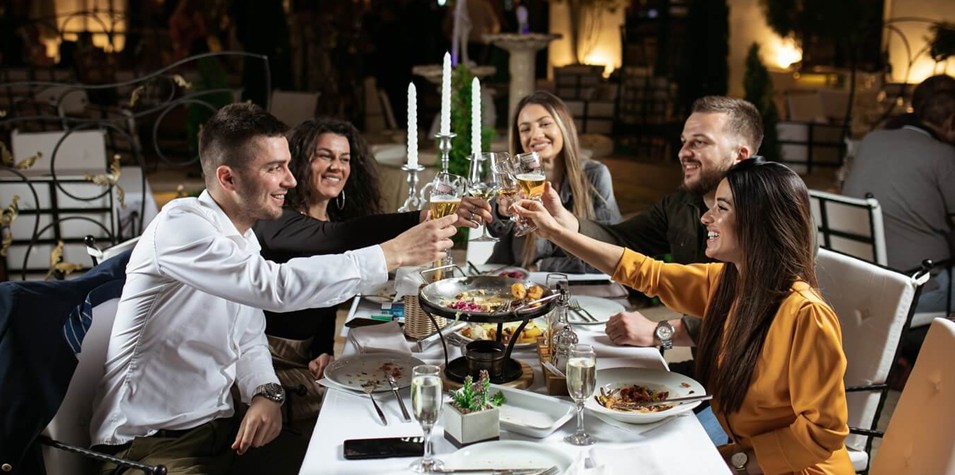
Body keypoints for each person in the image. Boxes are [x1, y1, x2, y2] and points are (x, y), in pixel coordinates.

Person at [88, 103, 458, 475]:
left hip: (222, 433)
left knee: (353, 460)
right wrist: (391, 254)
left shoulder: (244, 239)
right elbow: (275, 288)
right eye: (274, 168)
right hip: (147, 447)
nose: (291, 181)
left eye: (287, 165)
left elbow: (249, 337)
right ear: (228, 178)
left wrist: (266, 392)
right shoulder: (181, 225)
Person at [514, 159, 853, 474]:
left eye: (722, 208)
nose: (706, 218)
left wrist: (737, 462)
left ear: (758, 221)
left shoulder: (806, 315)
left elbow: (823, 434)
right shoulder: (729, 282)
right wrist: (557, 233)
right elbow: (644, 272)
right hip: (741, 453)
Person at [252, 118, 489, 438]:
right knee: (353, 416)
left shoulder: (333, 217)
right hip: (269, 360)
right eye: (324, 156)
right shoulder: (276, 218)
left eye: (344, 159)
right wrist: (421, 217)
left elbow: (327, 292)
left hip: (303, 355)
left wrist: (323, 348)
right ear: (299, 161)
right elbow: (333, 238)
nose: (336, 167)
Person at [540, 96, 762, 361]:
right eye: (684, 142)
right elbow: (623, 243)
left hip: (750, 379)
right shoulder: (680, 203)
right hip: (705, 368)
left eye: (699, 142)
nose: (682, 153)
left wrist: (661, 332)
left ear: (740, 155)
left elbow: (757, 315)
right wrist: (564, 221)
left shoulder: (772, 213)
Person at [482, 90, 621, 273]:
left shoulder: (595, 175)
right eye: (525, 129)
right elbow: (496, 228)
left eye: (545, 124)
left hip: (578, 287)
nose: (535, 135)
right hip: (519, 286)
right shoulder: (514, 178)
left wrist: (542, 266)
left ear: (564, 127)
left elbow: (611, 251)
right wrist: (502, 211)